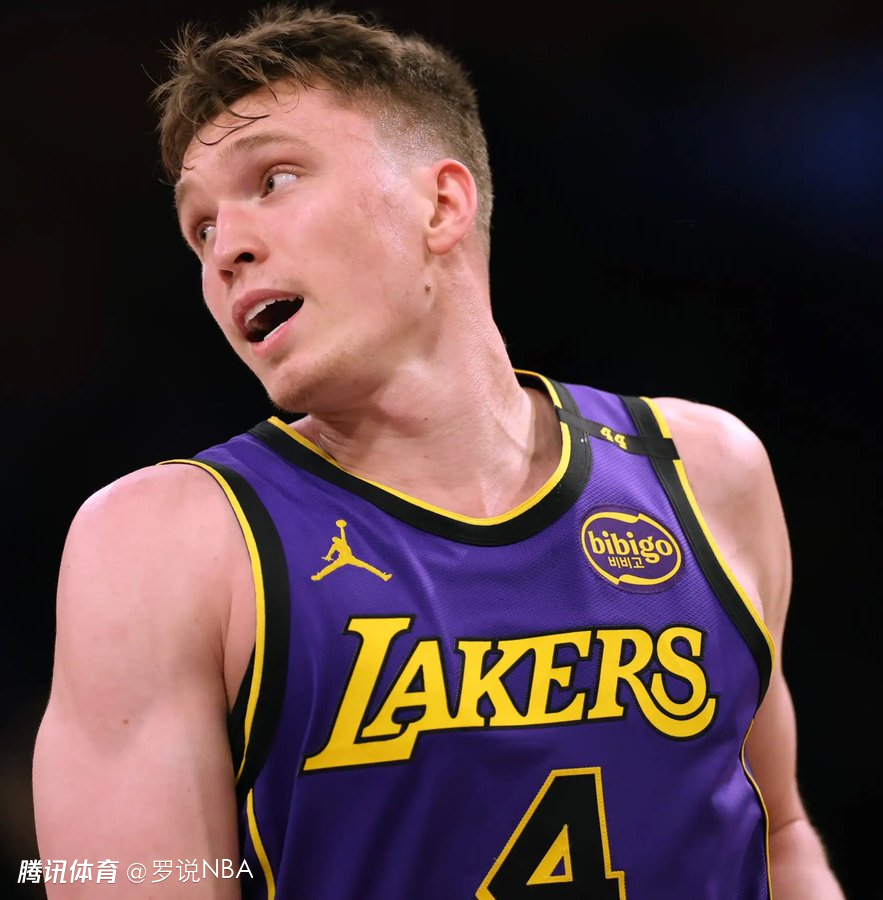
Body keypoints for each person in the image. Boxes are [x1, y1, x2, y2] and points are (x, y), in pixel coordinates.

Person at [32, 4, 846, 898]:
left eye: (273, 179)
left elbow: (780, 835)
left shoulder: (702, 470)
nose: (225, 248)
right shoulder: (163, 545)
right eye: (199, 228)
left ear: (442, 203)